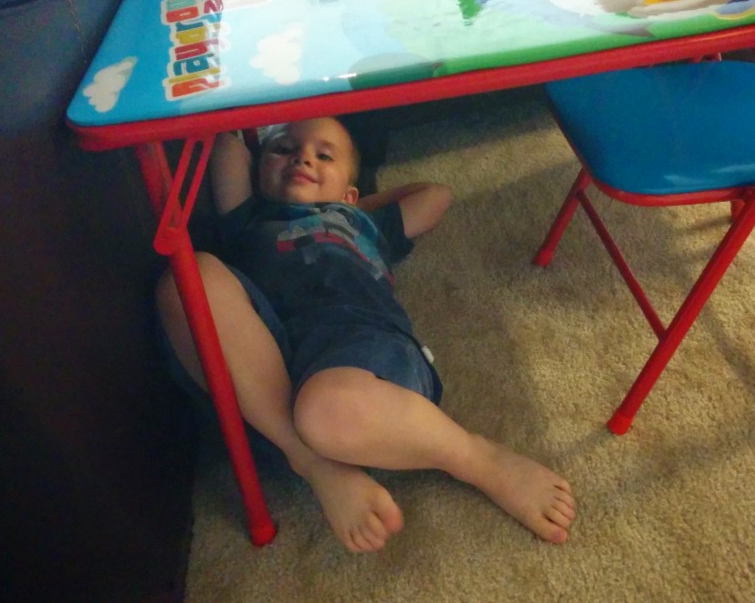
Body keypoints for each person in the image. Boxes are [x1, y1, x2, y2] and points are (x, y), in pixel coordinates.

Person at [156, 116, 576, 553]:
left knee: (327, 409)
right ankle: (314, 462)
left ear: (351, 194)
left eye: (324, 155)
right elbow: (227, 145)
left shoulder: (363, 224)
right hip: (263, 370)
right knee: (187, 278)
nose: (302, 158)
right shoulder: (250, 216)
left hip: (362, 350)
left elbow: (436, 195)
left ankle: (476, 457)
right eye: (283, 149)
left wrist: (352, 208)